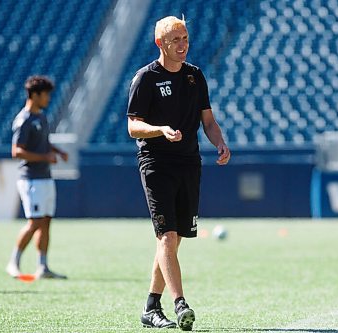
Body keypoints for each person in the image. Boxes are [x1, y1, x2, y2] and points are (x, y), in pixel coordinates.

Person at [127, 16, 231, 330]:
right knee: (167, 236)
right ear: (160, 43)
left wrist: (220, 143)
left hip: (189, 163)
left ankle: (150, 306)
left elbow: (208, 121)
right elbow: (133, 126)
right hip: (156, 163)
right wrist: (159, 129)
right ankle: (179, 303)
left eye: (185, 38)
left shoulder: (195, 77)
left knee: (175, 239)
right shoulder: (145, 78)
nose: (182, 45)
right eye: (175, 40)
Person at [6, 75, 69, 280]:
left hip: (45, 177)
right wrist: (45, 157)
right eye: (46, 95)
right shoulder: (24, 120)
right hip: (31, 179)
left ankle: (42, 267)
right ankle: (13, 263)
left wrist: (57, 151)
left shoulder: (41, 117)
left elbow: (42, 143)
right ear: (34, 95)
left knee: (46, 222)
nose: (48, 99)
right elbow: (17, 151)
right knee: (34, 223)